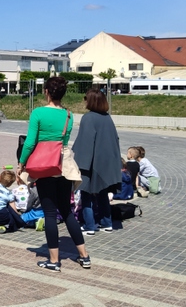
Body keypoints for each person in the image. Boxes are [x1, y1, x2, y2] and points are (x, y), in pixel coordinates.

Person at [17, 76, 90, 272]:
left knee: (49, 213)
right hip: (64, 165)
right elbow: (63, 141)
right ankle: (84, 256)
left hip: (45, 165)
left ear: (46, 92)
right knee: (67, 212)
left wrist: (21, 163)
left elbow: (30, 142)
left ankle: (54, 260)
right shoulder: (68, 115)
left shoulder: (38, 113)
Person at [72, 89, 122, 236]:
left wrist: (79, 165)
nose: (84, 101)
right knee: (102, 192)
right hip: (106, 162)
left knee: (86, 193)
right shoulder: (107, 117)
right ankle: (107, 223)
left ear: (91, 101)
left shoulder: (88, 118)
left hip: (91, 162)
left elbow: (85, 142)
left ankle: (89, 226)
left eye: (86, 98)